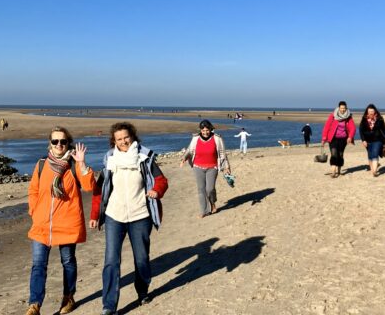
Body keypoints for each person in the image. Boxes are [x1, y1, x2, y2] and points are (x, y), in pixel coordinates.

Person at [91, 122, 168, 315]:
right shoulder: (110, 158)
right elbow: (100, 188)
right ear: (113, 141)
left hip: (140, 215)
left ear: (133, 136)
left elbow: (161, 180)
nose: (123, 141)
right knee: (111, 260)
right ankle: (109, 305)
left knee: (141, 258)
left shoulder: (145, 156)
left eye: (126, 137)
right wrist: (94, 215)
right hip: (114, 216)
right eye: (119, 139)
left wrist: (156, 191)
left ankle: (142, 292)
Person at [25, 126, 97, 315]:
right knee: (38, 264)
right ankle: (35, 304)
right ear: (50, 143)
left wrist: (81, 164)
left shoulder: (73, 165)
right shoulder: (42, 164)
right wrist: (34, 210)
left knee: (68, 262)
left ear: (68, 143)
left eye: (63, 141)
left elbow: (90, 186)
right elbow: (33, 190)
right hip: (42, 225)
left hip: (67, 224)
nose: (59, 145)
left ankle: (69, 297)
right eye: (55, 141)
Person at [180, 119, 231, 217]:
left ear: (211, 129)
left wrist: (226, 167)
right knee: (201, 189)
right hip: (198, 167)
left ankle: (212, 203)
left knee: (210, 189)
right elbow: (190, 150)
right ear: (200, 130)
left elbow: (222, 153)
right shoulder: (195, 138)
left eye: (207, 130)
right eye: (203, 130)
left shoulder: (217, 138)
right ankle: (204, 211)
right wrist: (184, 158)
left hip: (213, 167)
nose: (205, 132)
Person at [321, 101, 356, 178]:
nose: (342, 109)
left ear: (346, 108)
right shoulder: (333, 115)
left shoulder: (348, 117)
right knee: (334, 153)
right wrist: (324, 138)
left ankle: (339, 170)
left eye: (344, 108)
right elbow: (327, 126)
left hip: (343, 139)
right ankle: (333, 171)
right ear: (338, 108)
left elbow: (353, 128)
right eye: (341, 108)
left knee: (340, 154)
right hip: (333, 138)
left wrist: (350, 136)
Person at [359, 104, 385, 177]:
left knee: (375, 154)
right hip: (367, 141)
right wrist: (363, 140)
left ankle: (374, 171)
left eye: (372, 111)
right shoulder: (364, 119)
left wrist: (384, 143)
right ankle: (372, 170)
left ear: (375, 111)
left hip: (378, 140)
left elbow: (383, 131)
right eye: (369, 111)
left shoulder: (380, 119)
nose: (371, 112)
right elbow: (361, 130)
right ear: (367, 112)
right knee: (370, 155)